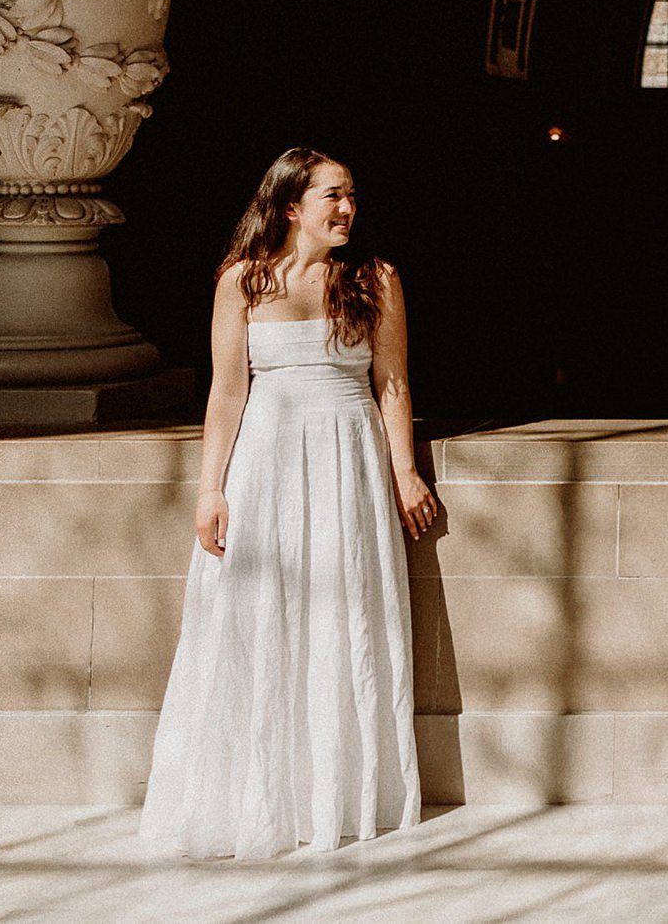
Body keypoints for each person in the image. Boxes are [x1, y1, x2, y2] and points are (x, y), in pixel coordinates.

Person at [140, 147, 438, 858]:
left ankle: (333, 790)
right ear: (289, 205)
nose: (347, 209)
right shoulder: (240, 282)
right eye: (333, 195)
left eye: (352, 195)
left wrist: (405, 472)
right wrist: (211, 487)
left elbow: (392, 382)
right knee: (260, 618)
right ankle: (257, 793)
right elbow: (226, 391)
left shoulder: (375, 278)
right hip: (266, 462)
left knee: (343, 617)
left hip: (348, 460)